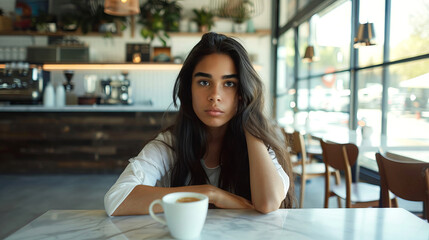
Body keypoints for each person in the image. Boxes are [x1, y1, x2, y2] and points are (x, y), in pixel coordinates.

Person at [104, 32, 294, 216]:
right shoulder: (170, 144)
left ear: (242, 92)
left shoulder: (259, 146)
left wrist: (249, 118)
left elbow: (268, 203)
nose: (215, 96)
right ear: (189, 90)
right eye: (204, 82)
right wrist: (210, 194)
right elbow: (117, 199)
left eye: (229, 84)